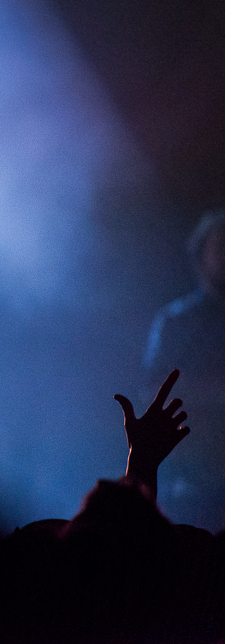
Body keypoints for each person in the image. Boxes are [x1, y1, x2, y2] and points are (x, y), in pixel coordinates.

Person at [143, 209, 225, 529]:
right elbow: (154, 391)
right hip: (194, 478)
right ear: (201, 255)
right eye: (220, 247)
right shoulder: (177, 323)